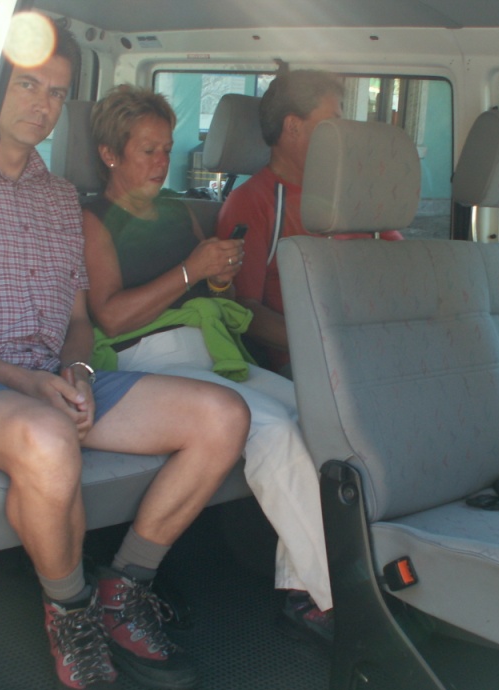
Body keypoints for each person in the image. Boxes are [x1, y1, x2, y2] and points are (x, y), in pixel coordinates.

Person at [0, 20, 250, 690]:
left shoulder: (60, 198)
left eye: (56, 93)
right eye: (28, 85)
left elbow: (79, 319)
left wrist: (79, 371)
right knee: (48, 439)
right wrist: (32, 385)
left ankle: (124, 589)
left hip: (55, 375)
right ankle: (71, 615)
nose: (42, 104)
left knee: (224, 417)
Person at [81, 86, 335, 649]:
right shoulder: (94, 219)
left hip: (212, 352)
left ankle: (303, 590)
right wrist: (191, 272)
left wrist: (218, 276)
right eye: (147, 150)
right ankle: (335, 598)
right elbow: (111, 317)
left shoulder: (178, 210)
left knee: (325, 418)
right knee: (272, 429)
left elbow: (209, 290)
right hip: (148, 363)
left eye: (166, 149)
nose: (160, 162)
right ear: (110, 154)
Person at [216, 69, 403, 375]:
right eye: (332, 122)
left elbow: (404, 271)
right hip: (312, 364)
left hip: (380, 343)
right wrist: (329, 344)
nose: (341, 133)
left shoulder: (354, 195)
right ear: (293, 126)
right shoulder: (250, 203)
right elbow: (244, 309)